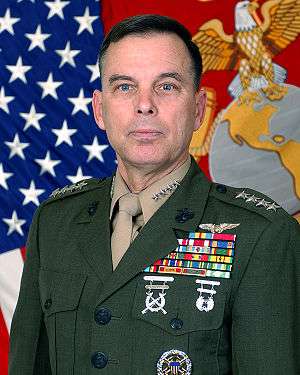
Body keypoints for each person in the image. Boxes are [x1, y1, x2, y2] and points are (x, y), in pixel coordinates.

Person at [9, 14, 300, 375]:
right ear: (100, 110)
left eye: (166, 86)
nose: (144, 105)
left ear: (198, 109)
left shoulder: (261, 234)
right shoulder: (55, 222)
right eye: (125, 87)